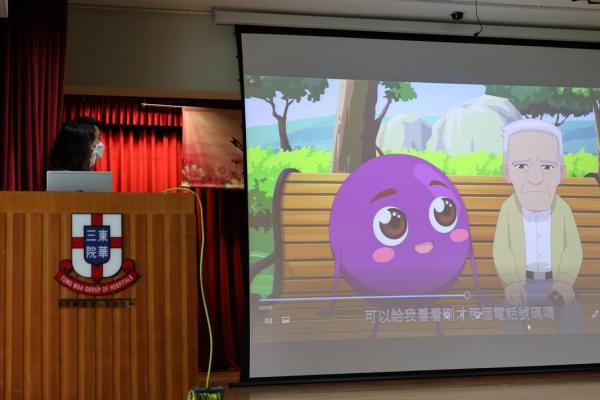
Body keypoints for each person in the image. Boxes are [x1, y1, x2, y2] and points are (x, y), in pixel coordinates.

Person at [493, 118, 582, 334]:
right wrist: (511, 281)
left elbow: (573, 248)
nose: (535, 178)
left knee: (573, 311)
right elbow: (502, 249)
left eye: (547, 167)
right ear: (507, 172)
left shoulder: (563, 209)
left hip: (556, 283)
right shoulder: (508, 209)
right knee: (511, 310)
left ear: (561, 172)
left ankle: (570, 353)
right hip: (522, 284)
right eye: (521, 166)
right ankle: (515, 353)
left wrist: (565, 281)